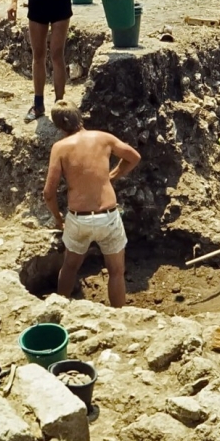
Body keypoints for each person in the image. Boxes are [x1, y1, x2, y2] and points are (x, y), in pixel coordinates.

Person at [42, 100, 141, 308]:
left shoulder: (60, 148)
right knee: (116, 272)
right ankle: (120, 317)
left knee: (70, 267)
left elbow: (49, 193)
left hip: (80, 219)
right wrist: (112, 176)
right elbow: (133, 157)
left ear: (59, 126)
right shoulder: (103, 138)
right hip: (108, 217)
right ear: (81, 117)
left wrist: (59, 220)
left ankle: (59, 310)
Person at [7, 0, 72, 122]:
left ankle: (60, 106)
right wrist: (14, 1)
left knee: (56, 54)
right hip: (37, 0)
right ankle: (38, 104)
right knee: (38, 54)